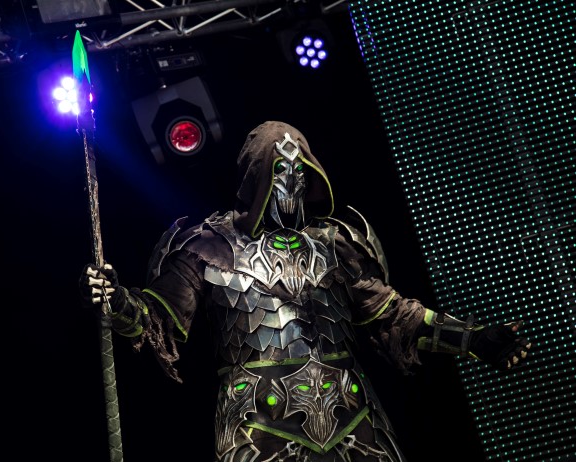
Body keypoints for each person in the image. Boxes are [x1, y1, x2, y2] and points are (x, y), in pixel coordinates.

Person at [79, 120, 531, 461]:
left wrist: (473, 338)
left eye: (300, 170)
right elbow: (157, 319)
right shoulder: (207, 244)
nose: (290, 182)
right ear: (257, 175)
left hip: (351, 410)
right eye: (280, 170)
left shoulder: (334, 243)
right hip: (255, 421)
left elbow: (395, 314)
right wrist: (116, 300)